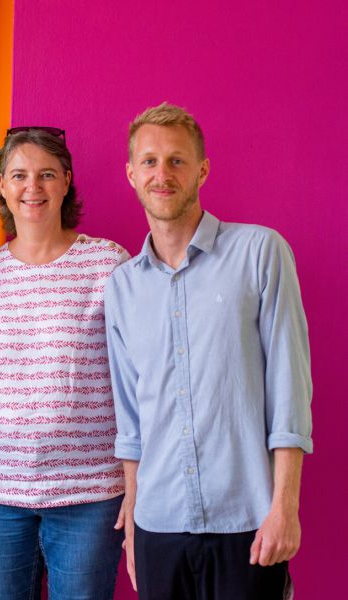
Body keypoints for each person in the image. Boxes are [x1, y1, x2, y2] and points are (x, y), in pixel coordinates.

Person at [104, 102, 313, 599]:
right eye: (150, 161)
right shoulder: (121, 286)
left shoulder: (260, 252)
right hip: (157, 524)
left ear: (202, 170)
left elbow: (289, 389)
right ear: (131, 174)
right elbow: (130, 418)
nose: (162, 174)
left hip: (248, 521)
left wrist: (285, 507)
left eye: (177, 160)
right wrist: (133, 521)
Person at [0, 126, 128, 600]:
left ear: (66, 181)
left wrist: (137, 480)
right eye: (19, 175)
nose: (33, 187)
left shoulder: (107, 264)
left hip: (89, 492)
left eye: (46, 174)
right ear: (2, 185)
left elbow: (135, 380)